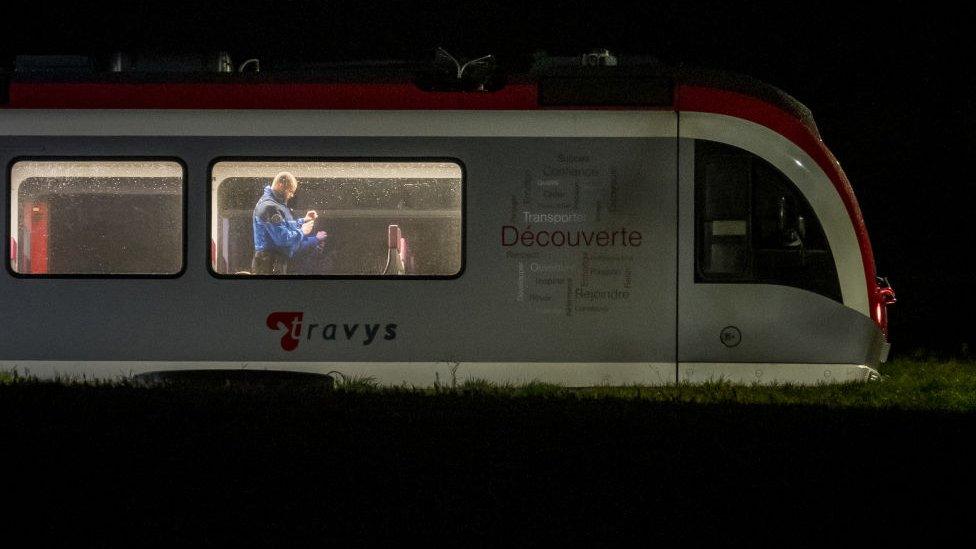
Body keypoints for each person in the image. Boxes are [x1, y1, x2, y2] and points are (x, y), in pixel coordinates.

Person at [251, 171, 327, 275]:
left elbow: (285, 226)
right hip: (269, 264)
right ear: (280, 185)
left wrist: (303, 220)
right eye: (290, 191)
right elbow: (282, 238)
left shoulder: (276, 205)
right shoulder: (269, 207)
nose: (291, 195)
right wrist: (302, 231)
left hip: (273, 261)